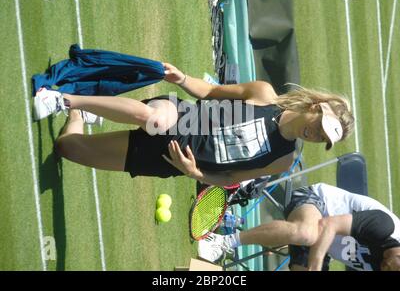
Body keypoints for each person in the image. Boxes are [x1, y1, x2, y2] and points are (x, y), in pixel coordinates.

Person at [33, 62, 354, 186]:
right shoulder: (264, 95)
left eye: (323, 138)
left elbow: (232, 178)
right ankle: (63, 99)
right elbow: (212, 91)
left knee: (67, 148)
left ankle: (78, 115)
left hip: (171, 160)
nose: (316, 135)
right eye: (321, 126)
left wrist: (195, 173)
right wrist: (183, 79)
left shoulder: (283, 160)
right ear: (315, 107)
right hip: (181, 118)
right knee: (154, 118)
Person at [198, 183, 400, 271]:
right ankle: (225, 241)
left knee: (310, 237)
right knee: (308, 233)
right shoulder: (385, 226)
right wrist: (315, 265)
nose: (387, 267)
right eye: (393, 266)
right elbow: (328, 225)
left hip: (320, 245)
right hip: (316, 204)